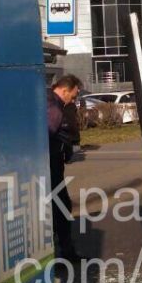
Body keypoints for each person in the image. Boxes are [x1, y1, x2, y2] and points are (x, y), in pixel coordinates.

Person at [47, 74, 83, 260]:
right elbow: (47, 135)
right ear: (64, 90)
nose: (74, 99)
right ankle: (64, 254)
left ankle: (60, 253)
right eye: (74, 95)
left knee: (58, 207)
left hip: (52, 164)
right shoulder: (54, 109)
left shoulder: (51, 103)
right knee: (61, 206)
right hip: (50, 165)